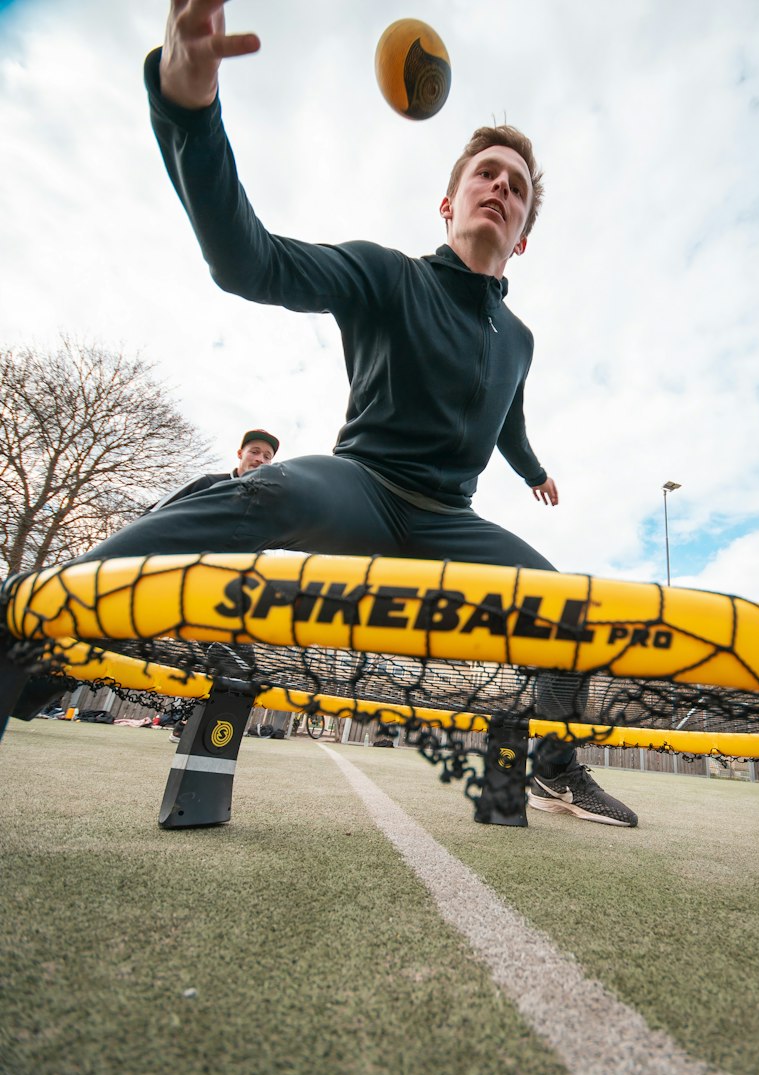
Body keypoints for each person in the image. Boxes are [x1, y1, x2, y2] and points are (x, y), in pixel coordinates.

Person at [74, 0, 637, 828]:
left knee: (568, 615)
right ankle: (50, 611)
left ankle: (552, 767)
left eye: (516, 189)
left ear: (523, 239)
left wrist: (534, 470)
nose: (501, 189)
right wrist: (188, 110)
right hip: (363, 489)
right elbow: (248, 262)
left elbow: (507, 420)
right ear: (447, 205)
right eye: (485, 174)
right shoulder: (387, 275)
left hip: (448, 522)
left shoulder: (519, 339)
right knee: (270, 494)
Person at [147, 428, 279, 512]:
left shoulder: (263, 504)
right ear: (240, 454)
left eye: (267, 457)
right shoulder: (206, 483)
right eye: (255, 452)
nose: (260, 459)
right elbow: (153, 513)